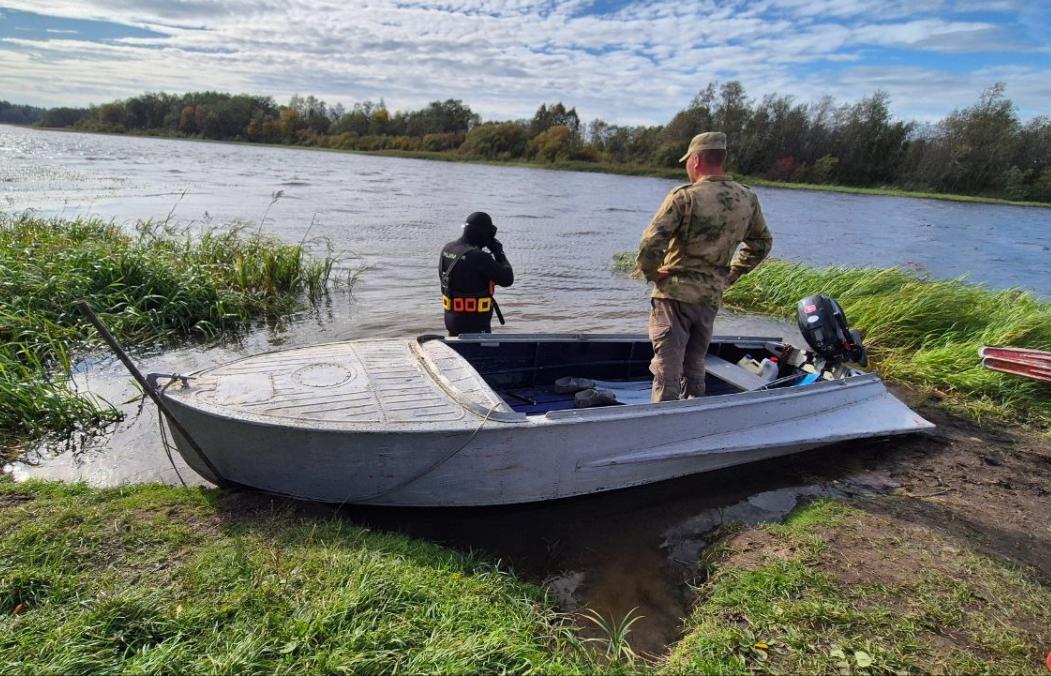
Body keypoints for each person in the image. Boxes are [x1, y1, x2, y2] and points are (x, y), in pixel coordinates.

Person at [635, 131, 773, 402]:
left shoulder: (684, 196)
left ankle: (663, 423)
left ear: (696, 160)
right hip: (710, 297)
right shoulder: (747, 198)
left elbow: (651, 243)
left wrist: (651, 272)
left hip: (675, 295)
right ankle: (695, 411)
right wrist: (732, 274)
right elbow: (762, 243)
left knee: (667, 367)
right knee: (695, 362)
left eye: (688, 160)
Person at [439, 211, 514, 336]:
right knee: (480, 355)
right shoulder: (479, 257)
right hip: (474, 325)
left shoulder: (447, 249)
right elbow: (508, 279)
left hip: (451, 319)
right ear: (483, 234)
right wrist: (499, 253)